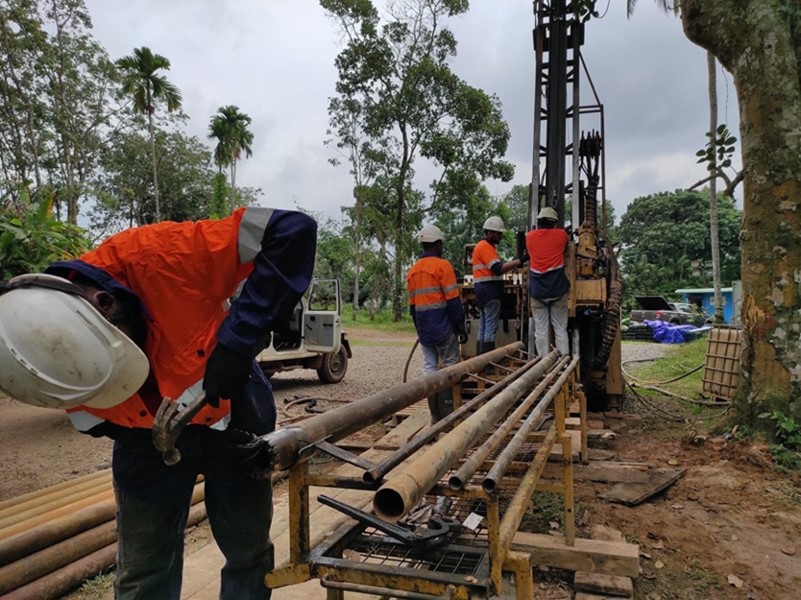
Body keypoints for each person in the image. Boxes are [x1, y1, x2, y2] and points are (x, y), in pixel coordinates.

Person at [0, 207, 317, 600]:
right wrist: (169, 440)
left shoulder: (164, 256)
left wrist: (238, 341)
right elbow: (96, 421)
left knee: (247, 549)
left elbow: (291, 230)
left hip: (231, 404)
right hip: (141, 438)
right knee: (142, 567)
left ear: (107, 304)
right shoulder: (45, 362)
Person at [407, 224, 467, 421]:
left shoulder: (413, 270)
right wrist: (460, 327)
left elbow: (412, 307)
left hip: (425, 330)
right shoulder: (443, 266)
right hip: (444, 328)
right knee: (450, 367)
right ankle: (448, 417)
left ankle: (435, 416)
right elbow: (453, 302)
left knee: (430, 368)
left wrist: (420, 329)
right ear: (438, 244)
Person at [471, 215, 524, 355]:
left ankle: (480, 360)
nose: (500, 236)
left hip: (482, 292)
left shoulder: (482, 247)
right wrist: (520, 260)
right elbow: (498, 268)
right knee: (490, 326)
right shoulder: (485, 247)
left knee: (483, 325)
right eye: (498, 233)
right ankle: (488, 361)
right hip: (490, 292)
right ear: (490, 233)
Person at [525, 206, 570, 356]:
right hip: (558, 290)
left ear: (538, 222)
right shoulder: (562, 235)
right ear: (554, 223)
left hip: (538, 292)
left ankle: (543, 363)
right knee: (560, 329)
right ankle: (563, 363)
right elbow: (566, 245)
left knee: (541, 331)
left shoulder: (529, 237)